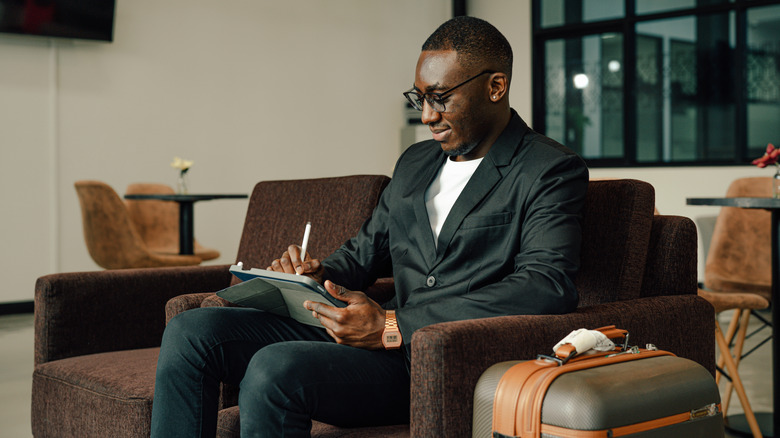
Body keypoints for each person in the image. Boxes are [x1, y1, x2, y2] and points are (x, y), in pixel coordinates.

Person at [150, 16, 588, 437]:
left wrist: (394, 323)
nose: (428, 117)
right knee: (192, 332)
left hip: (433, 358)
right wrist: (316, 276)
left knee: (274, 368)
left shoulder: (548, 169)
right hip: (370, 336)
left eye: (440, 97)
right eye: (419, 99)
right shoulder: (416, 163)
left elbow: (545, 285)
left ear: (497, 86)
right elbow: (364, 253)